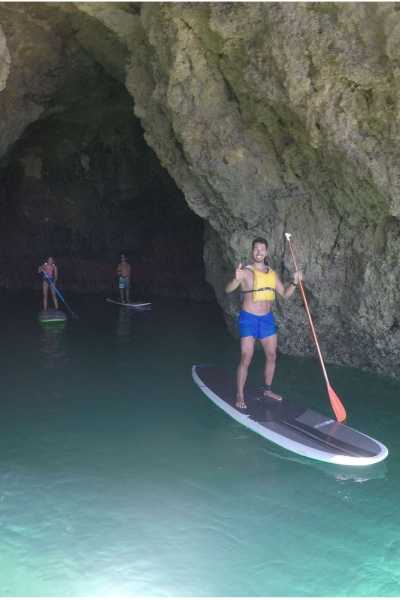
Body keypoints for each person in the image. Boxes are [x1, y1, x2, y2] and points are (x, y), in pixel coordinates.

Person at [225, 237, 302, 410]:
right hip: (249, 318)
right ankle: (239, 394)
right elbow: (228, 289)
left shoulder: (272, 274)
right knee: (246, 357)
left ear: (266, 252)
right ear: (252, 252)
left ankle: (267, 390)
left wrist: (295, 282)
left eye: (262, 249)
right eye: (256, 249)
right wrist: (235, 279)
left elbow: (285, 294)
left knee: (272, 355)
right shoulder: (244, 272)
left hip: (266, 319)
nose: (259, 252)